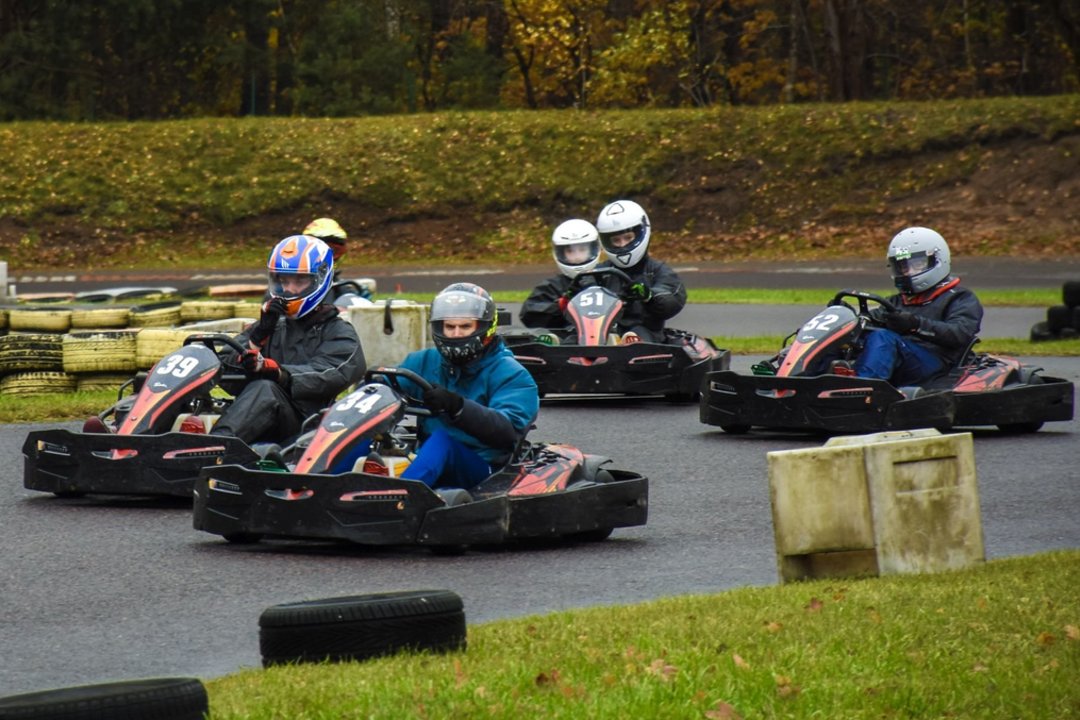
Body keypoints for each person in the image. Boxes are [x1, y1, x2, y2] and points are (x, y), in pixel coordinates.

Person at [211, 234, 367, 444]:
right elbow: (226, 374)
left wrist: (279, 373)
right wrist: (257, 339)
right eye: (284, 280)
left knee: (266, 388)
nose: (289, 289)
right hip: (257, 422)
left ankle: (216, 446)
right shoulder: (270, 326)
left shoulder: (338, 331)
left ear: (319, 280)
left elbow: (332, 373)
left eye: (299, 280)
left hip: (306, 428)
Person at [382, 282, 539, 491]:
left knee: (442, 442)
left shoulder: (511, 374)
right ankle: (329, 487)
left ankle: (399, 497)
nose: (455, 334)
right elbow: (384, 389)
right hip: (427, 458)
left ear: (485, 328)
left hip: (484, 469)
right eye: (449, 326)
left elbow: (507, 431)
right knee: (365, 437)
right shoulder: (422, 361)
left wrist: (457, 407)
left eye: (465, 327)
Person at [853, 227, 984, 385]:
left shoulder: (959, 298)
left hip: (937, 364)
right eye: (903, 266)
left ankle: (863, 388)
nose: (908, 272)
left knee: (883, 338)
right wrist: (848, 319)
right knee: (849, 337)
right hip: (903, 359)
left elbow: (959, 334)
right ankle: (818, 379)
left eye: (917, 264)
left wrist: (915, 325)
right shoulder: (896, 302)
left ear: (937, 260)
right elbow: (872, 320)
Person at [594, 199, 687, 343]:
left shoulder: (657, 270)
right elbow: (583, 293)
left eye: (628, 238)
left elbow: (672, 299)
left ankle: (626, 346)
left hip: (646, 333)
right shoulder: (599, 273)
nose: (622, 245)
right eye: (616, 240)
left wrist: (649, 295)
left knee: (637, 335)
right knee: (574, 336)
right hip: (599, 332)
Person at [518, 218, 601, 335]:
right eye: (570, 251)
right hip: (567, 344)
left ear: (593, 249)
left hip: (608, 340)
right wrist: (561, 305)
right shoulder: (553, 286)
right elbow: (529, 314)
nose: (577, 257)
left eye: (582, 250)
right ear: (560, 253)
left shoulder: (608, 279)